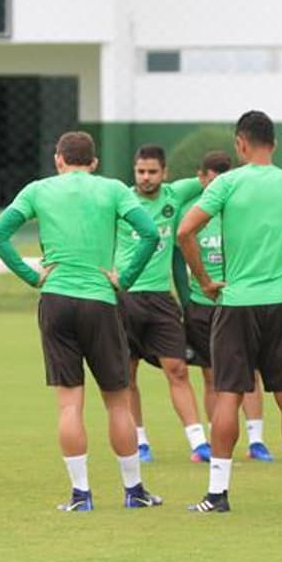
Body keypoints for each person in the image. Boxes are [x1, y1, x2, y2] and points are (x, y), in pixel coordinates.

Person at [177, 110, 282, 513]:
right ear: (274, 144)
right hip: (280, 302)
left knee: (227, 396)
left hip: (236, 302)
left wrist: (203, 280)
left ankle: (217, 494)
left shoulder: (227, 183)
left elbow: (186, 230)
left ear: (240, 143)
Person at [0, 131, 163, 512]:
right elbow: (149, 234)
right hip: (100, 299)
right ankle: (134, 491)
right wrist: (125, 278)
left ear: (58, 159)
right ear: (94, 162)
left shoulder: (38, 190)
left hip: (56, 299)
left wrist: (32, 275)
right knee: (117, 401)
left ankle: (81, 495)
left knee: (69, 405)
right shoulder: (114, 189)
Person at [114, 145, 210, 463]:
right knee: (127, 374)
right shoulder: (121, 200)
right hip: (123, 296)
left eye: (152, 171)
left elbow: (214, 176)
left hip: (159, 298)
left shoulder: (175, 195)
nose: (146, 177)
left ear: (165, 173)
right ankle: (140, 441)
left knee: (177, 368)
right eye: (140, 171)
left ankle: (198, 442)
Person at [178, 150, 274, 461]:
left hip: (237, 301)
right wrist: (187, 299)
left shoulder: (237, 211)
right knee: (210, 374)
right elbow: (179, 262)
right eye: (211, 178)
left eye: (222, 179)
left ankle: (256, 440)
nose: (216, 185)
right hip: (202, 303)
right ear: (202, 177)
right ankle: (211, 440)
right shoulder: (192, 213)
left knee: (250, 371)